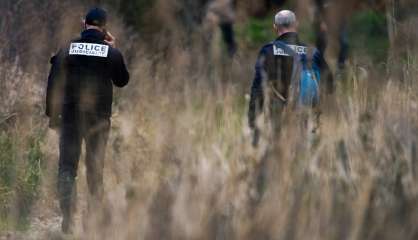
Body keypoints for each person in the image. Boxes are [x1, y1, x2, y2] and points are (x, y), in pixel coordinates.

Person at [45, 7, 129, 233]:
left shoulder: (67, 49)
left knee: (66, 168)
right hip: (99, 119)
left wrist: (52, 116)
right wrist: (115, 49)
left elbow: (53, 83)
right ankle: (94, 220)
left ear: (84, 25)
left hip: (71, 117)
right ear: (104, 28)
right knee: (95, 169)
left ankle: (68, 218)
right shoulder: (111, 53)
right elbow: (122, 81)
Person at [248, 10, 333, 146]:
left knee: (279, 148)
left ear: (275, 27)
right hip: (306, 111)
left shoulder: (268, 50)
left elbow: (258, 86)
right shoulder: (313, 52)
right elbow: (329, 84)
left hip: (278, 114)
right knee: (304, 146)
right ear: (296, 25)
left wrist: (252, 119)